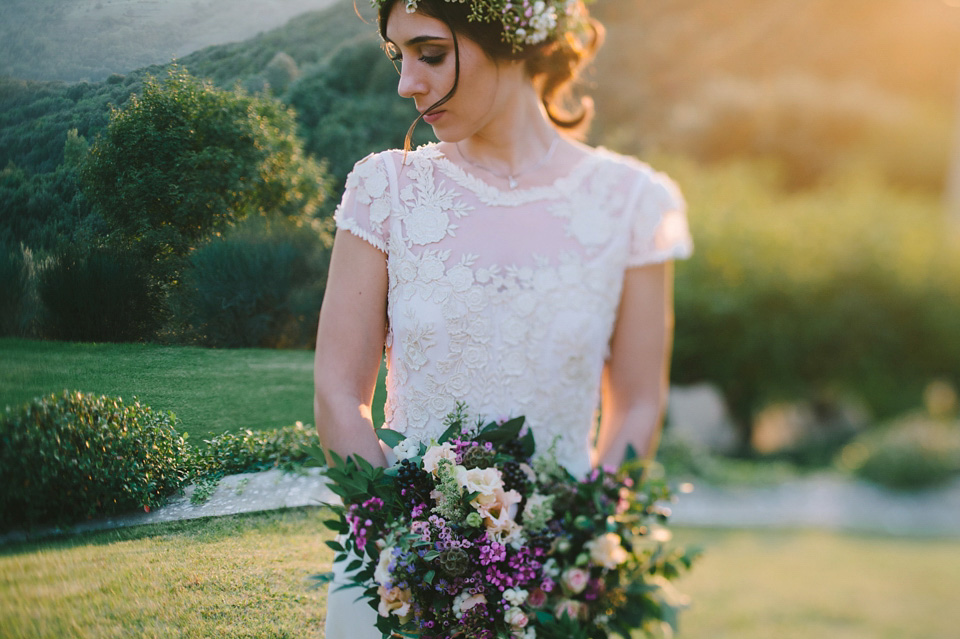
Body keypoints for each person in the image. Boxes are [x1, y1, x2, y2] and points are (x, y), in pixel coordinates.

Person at [313, 0, 692, 635]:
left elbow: (636, 405)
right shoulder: (387, 190)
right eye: (399, 57)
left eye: (431, 54)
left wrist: (576, 556)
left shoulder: (633, 204)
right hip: (407, 582)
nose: (408, 82)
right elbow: (337, 391)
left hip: (553, 589)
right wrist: (407, 553)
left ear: (512, 37)